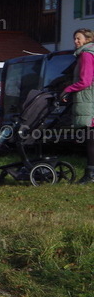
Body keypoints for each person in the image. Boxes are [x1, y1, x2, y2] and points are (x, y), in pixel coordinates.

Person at [60, 28, 94, 183]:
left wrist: (68, 89)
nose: (76, 41)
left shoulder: (86, 54)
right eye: (74, 38)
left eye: (78, 38)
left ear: (87, 39)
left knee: (91, 139)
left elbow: (85, 81)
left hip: (89, 101)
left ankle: (90, 174)